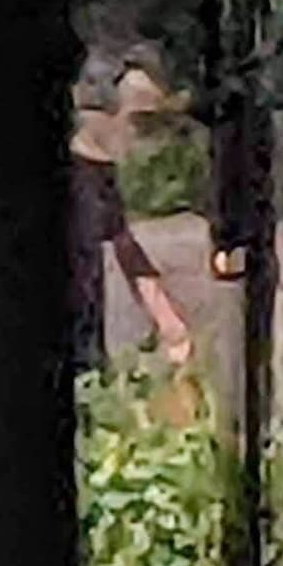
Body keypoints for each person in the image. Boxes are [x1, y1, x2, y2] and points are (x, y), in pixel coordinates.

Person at [69, 48, 195, 371]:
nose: (142, 139)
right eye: (139, 121)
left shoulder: (99, 177)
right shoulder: (73, 184)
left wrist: (168, 322)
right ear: (97, 115)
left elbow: (123, 242)